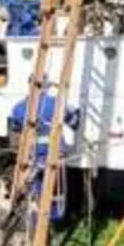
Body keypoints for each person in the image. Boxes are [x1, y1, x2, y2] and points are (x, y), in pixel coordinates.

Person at [9, 92, 81, 226]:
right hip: (54, 151)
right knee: (54, 186)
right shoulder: (54, 103)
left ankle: (37, 223)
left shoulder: (19, 107)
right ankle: (53, 219)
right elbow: (74, 121)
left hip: (35, 153)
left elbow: (14, 127)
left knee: (37, 188)